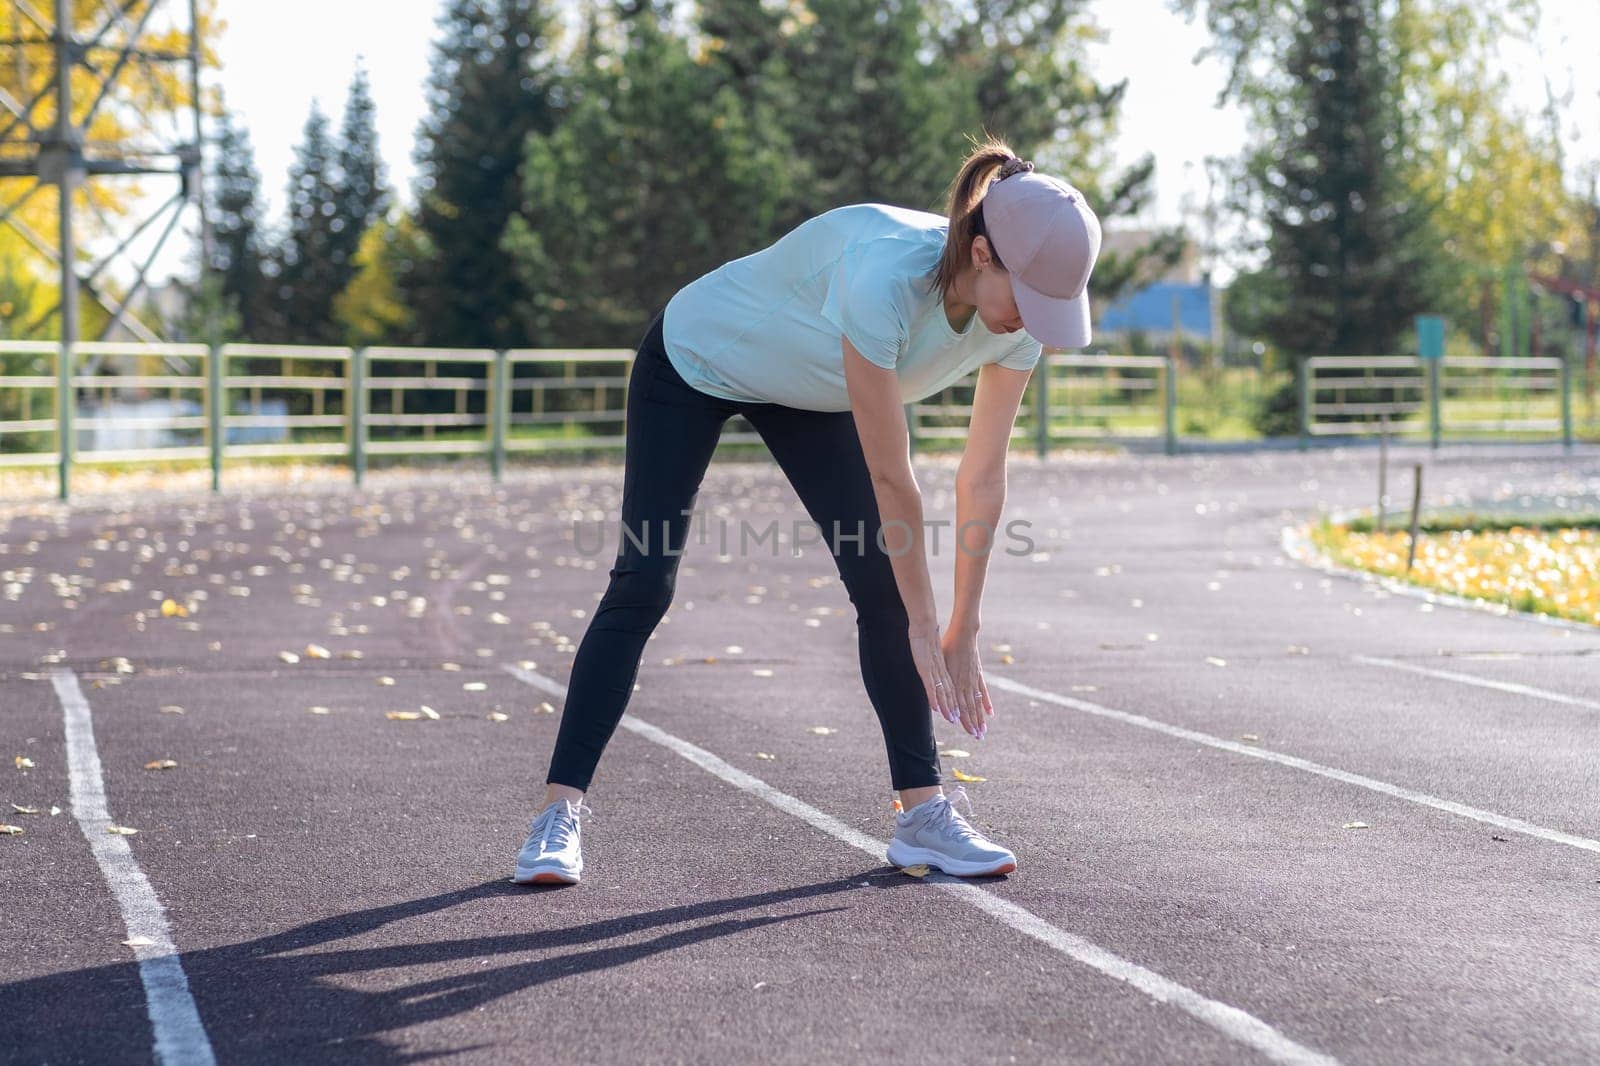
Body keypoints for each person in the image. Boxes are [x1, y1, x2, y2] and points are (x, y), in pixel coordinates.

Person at [514, 134, 1101, 885]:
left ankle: (922, 816)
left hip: (810, 387)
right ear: (983, 254)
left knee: (884, 586)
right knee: (643, 582)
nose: (1039, 322)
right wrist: (925, 625)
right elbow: (894, 477)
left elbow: (982, 478)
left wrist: (963, 626)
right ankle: (556, 817)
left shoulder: (1019, 330)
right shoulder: (888, 277)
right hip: (697, 359)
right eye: (1034, 299)